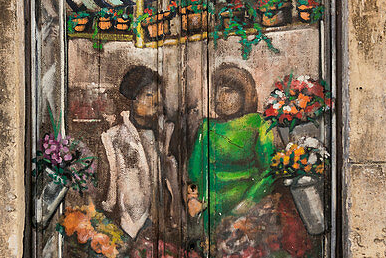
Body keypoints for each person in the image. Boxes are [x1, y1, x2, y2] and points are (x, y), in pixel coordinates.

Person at [187, 63, 275, 223]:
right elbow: (194, 170)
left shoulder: (258, 123)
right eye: (217, 91)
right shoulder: (206, 127)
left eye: (228, 91)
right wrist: (193, 198)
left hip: (247, 211)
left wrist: (249, 202)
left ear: (244, 94)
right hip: (210, 210)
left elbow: (270, 171)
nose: (220, 97)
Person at [101, 65, 178, 239]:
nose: (156, 101)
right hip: (126, 227)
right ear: (133, 99)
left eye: (158, 94)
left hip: (161, 226)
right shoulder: (114, 137)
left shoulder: (166, 134)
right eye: (148, 95)